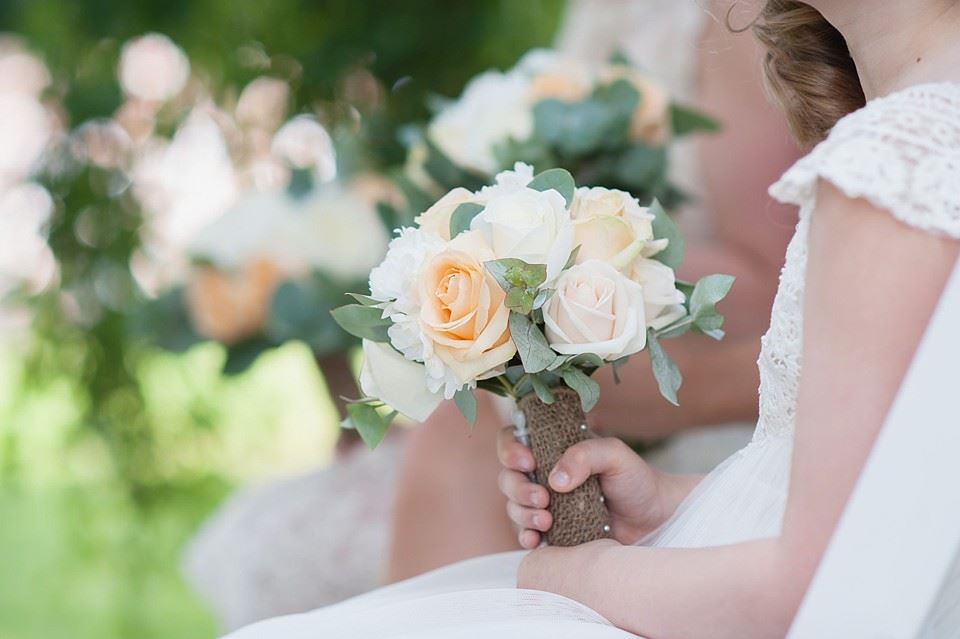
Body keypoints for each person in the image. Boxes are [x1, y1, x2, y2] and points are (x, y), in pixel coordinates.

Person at [223, 0, 960, 636]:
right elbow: (901, 493)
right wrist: (668, 501)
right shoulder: (921, 128)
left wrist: (578, 578)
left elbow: (817, 589)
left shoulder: (889, 167)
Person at [386, 0, 801, 581]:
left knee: (469, 434)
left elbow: (778, 282)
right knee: (464, 424)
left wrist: (569, 264)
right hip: (572, 379)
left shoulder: (740, 20)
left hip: (708, 376)